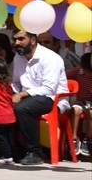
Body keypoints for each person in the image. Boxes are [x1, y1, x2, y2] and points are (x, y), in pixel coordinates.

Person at [10, 28, 66, 166]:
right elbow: (16, 83)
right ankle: (8, 150)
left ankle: (34, 152)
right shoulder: (18, 57)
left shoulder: (50, 58)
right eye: (15, 39)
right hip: (28, 98)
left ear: (33, 40)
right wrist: (12, 94)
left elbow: (49, 89)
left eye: (21, 39)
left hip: (52, 98)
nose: (17, 43)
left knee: (23, 108)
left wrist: (21, 94)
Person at [64, 52, 91, 157]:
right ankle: (73, 139)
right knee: (74, 111)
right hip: (81, 101)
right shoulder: (77, 71)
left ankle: (88, 139)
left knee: (91, 113)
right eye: (87, 72)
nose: (89, 74)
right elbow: (64, 76)